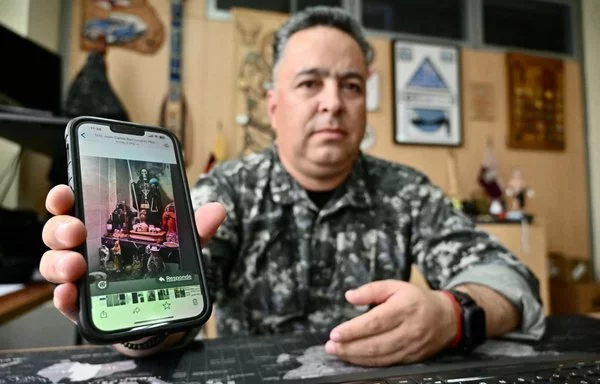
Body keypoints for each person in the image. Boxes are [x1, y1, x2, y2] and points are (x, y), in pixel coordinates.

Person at [39, 6, 544, 366]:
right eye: (310, 84)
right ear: (274, 104)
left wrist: (451, 315)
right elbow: (171, 320)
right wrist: (134, 317)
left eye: (350, 86)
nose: (332, 103)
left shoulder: (405, 190)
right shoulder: (229, 191)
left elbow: (510, 280)